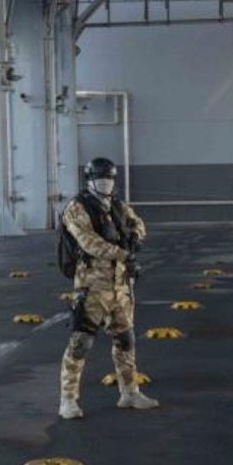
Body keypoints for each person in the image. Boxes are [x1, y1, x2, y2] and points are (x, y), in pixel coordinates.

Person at [57, 157, 158, 418]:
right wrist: (124, 254)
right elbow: (89, 242)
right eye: (101, 179)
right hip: (92, 287)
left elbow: (138, 223)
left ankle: (129, 392)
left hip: (120, 287)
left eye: (110, 179)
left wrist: (135, 236)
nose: (106, 183)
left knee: (126, 340)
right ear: (89, 180)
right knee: (81, 341)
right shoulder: (76, 208)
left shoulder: (116, 205)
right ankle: (68, 400)